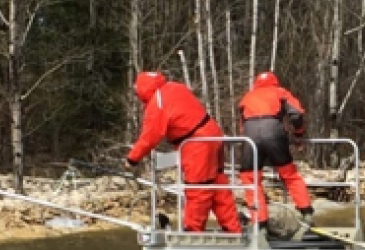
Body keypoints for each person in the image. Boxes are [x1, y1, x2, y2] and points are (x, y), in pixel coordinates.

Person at [127, 71, 242, 234]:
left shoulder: (157, 103)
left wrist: (132, 158)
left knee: (198, 187)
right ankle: (232, 228)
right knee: (217, 183)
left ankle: (193, 230)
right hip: (213, 134)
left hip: (197, 143)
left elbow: (150, 136)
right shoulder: (174, 87)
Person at [236, 71, 315, 223]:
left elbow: (241, 123)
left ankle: (260, 223)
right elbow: (297, 114)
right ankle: (306, 213)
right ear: (275, 82)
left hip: (249, 135)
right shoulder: (280, 92)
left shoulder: (247, 97)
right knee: (289, 174)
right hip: (273, 132)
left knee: (250, 178)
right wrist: (298, 134)